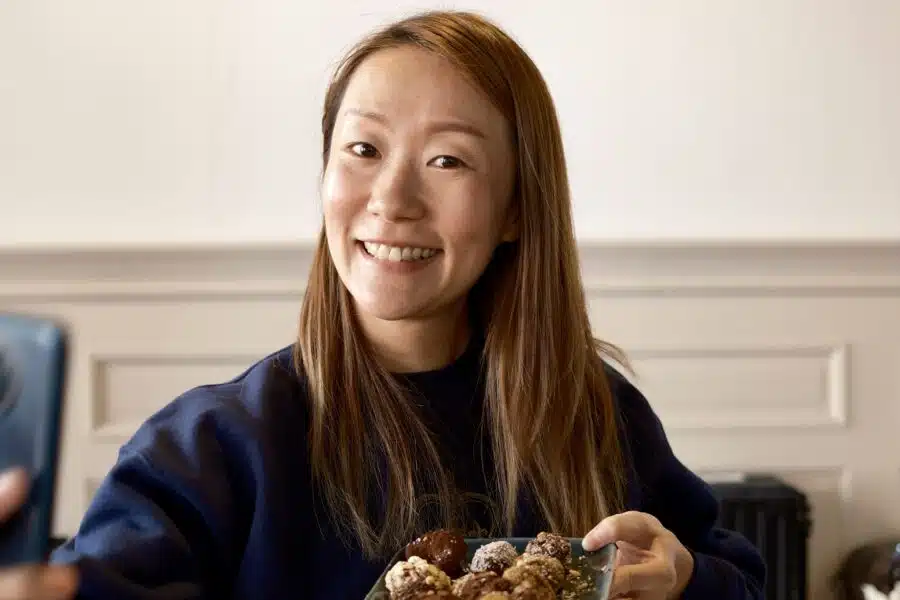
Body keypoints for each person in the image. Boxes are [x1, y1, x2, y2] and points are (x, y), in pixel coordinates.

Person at [0, 9, 766, 600]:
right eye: (363, 150)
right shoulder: (213, 447)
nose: (392, 199)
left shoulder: (597, 415)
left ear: (515, 210)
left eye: (448, 160)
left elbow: (736, 579)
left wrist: (686, 578)